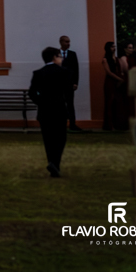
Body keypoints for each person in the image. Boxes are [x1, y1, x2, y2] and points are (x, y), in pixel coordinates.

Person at [29, 46, 72, 177]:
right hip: (59, 109)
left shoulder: (38, 73)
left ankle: (52, 162)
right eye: (60, 56)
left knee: (48, 139)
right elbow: (68, 91)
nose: (61, 59)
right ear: (54, 57)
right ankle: (55, 163)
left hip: (45, 110)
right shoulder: (64, 72)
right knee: (60, 138)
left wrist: (41, 102)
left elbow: (32, 93)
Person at [101, 41, 127, 130]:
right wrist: (119, 79)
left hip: (118, 82)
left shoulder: (117, 59)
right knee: (110, 102)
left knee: (118, 103)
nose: (114, 48)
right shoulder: (105, 59)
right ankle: (109, 125)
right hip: (110, 82)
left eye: (114, 46)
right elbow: (108, 72)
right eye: (112, 47)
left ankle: (118, 124)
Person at [58, 35, 82, 131]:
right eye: (66, 42)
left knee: (70, 104)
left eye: (69, 42)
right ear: (61, 42)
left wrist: (75, 82)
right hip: (59, 84)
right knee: (60, 105)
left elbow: (76, 69)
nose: (68, 44)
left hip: (69, 84)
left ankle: (72, 124)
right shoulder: (56, 54)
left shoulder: (72, 54)